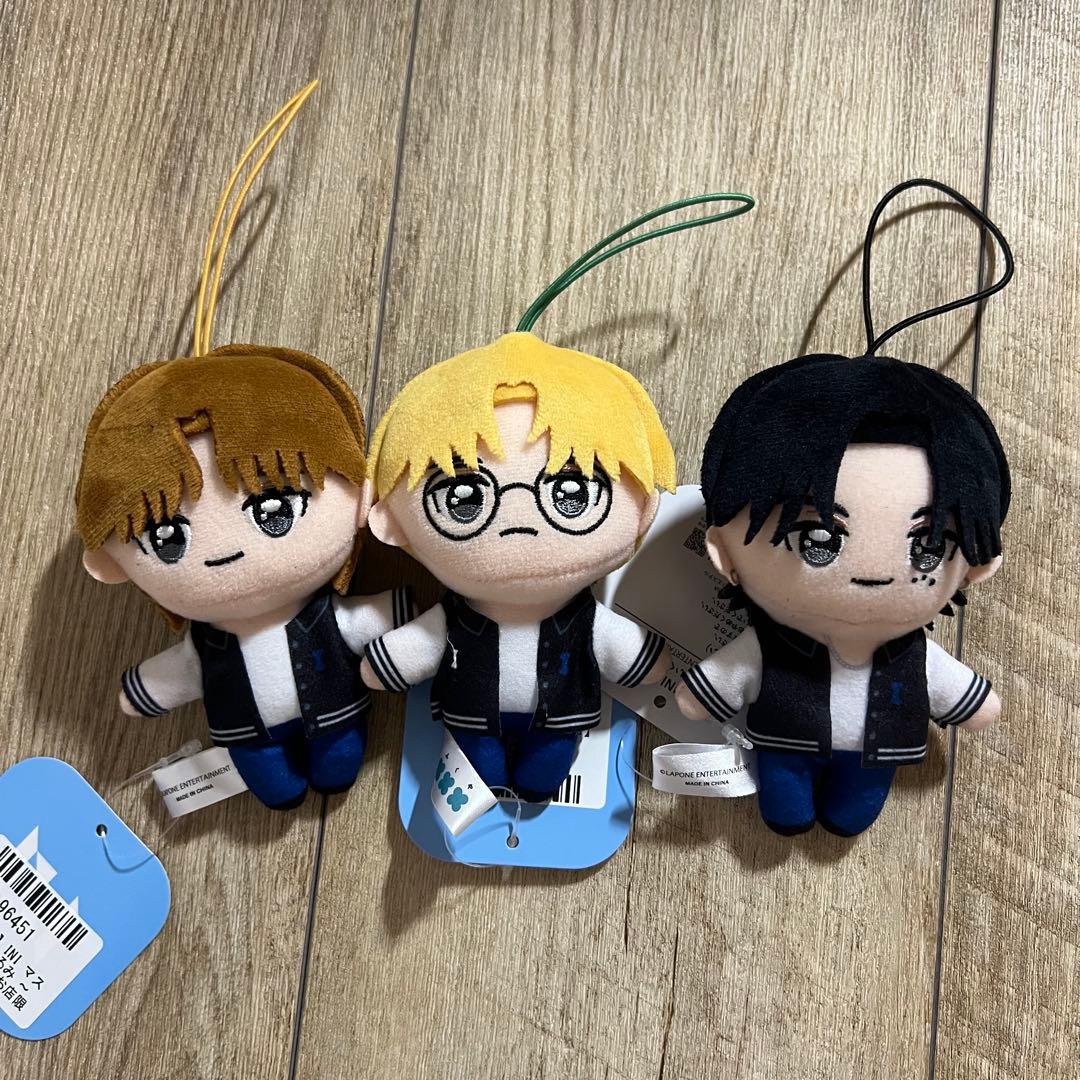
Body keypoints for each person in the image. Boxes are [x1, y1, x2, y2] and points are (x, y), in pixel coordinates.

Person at [676, 352, 1008, 836]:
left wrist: (973, 703)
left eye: (929, 545)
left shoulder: (912, 656)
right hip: (785, 745)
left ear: (976, 567)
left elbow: (958, 692)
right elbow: (723, 678)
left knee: (853, 808)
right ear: (725, 554)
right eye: (818, 538)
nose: (873, 573)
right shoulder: (770, 647)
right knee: (786, 803)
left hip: (875, 753)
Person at [76, 346, 412, 809]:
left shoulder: (323, 617)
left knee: (339, 760)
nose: (225, 552)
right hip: (248, 735)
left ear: (360, 500)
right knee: (274, 783)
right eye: (168, 539)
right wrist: (147, 689)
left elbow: (358, 622)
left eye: (273, 511)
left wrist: (399, 616)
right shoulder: (207, 644)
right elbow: (185, 669)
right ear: (110, 564)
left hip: (334, 716)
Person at [360, 332, 673, 801]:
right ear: (391, 521)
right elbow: (416, 647)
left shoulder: (583, 620)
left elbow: (624, 651)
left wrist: (644, 661)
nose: (519, 519)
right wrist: (389, 663)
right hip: (472, 721)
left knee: (544, 770)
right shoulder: (453, 619)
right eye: (464, 498)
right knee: (479, 768)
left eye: (570, 494)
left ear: (643, 511)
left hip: (559, 720)